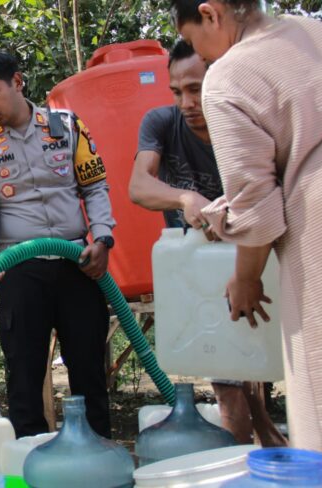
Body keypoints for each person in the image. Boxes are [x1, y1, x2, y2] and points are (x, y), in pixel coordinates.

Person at [171, 0, 322, 456]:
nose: (199, 55)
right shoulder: (311, 31)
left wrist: (245, 279)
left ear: (211, 13)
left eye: (192, 40)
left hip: (320, 223)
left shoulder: (229, 76)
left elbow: (258, 210)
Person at [129, 40, 286, 447]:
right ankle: (250, 450)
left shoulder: (244, 122)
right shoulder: (161, 124)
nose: (186, 102)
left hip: (257, 265)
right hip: (201, 278)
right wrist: (185, 198)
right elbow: (139, 185)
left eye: (196, 89)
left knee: (258, 365)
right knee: (229, 383)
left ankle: (266, 435)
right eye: (177, 91)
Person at [0, 50, 116, 439]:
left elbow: (94, 186)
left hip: (77, 263)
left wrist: (104, 239)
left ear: (17, 81)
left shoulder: (65, 126)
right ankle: (29, 461)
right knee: (24, 378)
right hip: (19, 270)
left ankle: (96, 461)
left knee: (89, 373)